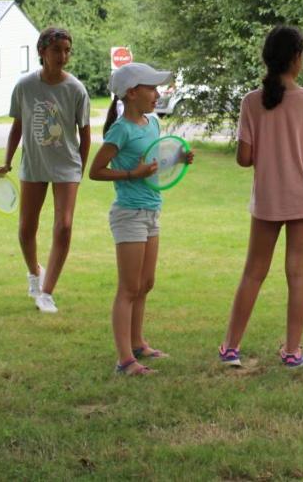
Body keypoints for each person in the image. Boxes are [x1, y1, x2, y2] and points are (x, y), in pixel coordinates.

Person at [218, 26, 303, 370]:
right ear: (296, 58)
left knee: (253, 272)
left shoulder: (251, 101)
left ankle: (230, 348)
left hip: (268, 199)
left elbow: (244, 158)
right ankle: (293, 351)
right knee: (298, 273)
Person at [89, 62, 192, 376]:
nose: (157, 94)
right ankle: (125, 361)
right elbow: (96, 171)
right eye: (151, 88)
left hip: (151, 210)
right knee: (128, 287)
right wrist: (132, 173)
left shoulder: (152, 124)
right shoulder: (120, 129)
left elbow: (155, 162)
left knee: (146, 284)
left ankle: (137, 344)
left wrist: (178, 158)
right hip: (129, 214)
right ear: (132, 94)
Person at [0, 27, 91, 314]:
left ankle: (47, 293)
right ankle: (34, 273)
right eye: (57, 50)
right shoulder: (25, 87)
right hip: (33, 165)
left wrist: (79, 171)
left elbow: (85, 134)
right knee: (26, 228)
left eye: (67, 50)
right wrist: (8, 161)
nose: (63, 56)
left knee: (64, 226)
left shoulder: (76, 90)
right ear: (42, 52)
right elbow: (17, 127)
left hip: (66, 167)